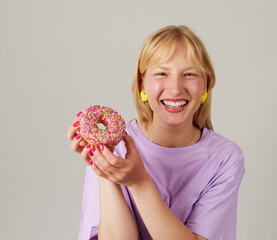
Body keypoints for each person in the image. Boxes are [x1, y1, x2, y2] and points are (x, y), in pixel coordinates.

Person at [67, 25, 245, 240]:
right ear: (142, 84)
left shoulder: (224, 158)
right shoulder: (115, 148)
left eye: (189, 74)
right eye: (162, 73)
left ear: (206, 85)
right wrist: (105, 170)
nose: (175, 89)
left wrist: (140, 183)